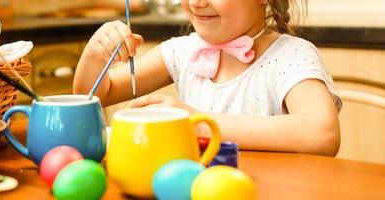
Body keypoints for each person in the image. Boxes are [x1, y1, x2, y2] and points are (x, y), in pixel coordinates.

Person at [73, 0, 342, 156]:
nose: (197, 2)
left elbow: (322, 133)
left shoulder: (290, 55)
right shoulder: (182, 51)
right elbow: (95, 96)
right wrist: (95, 55)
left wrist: (198, 124)